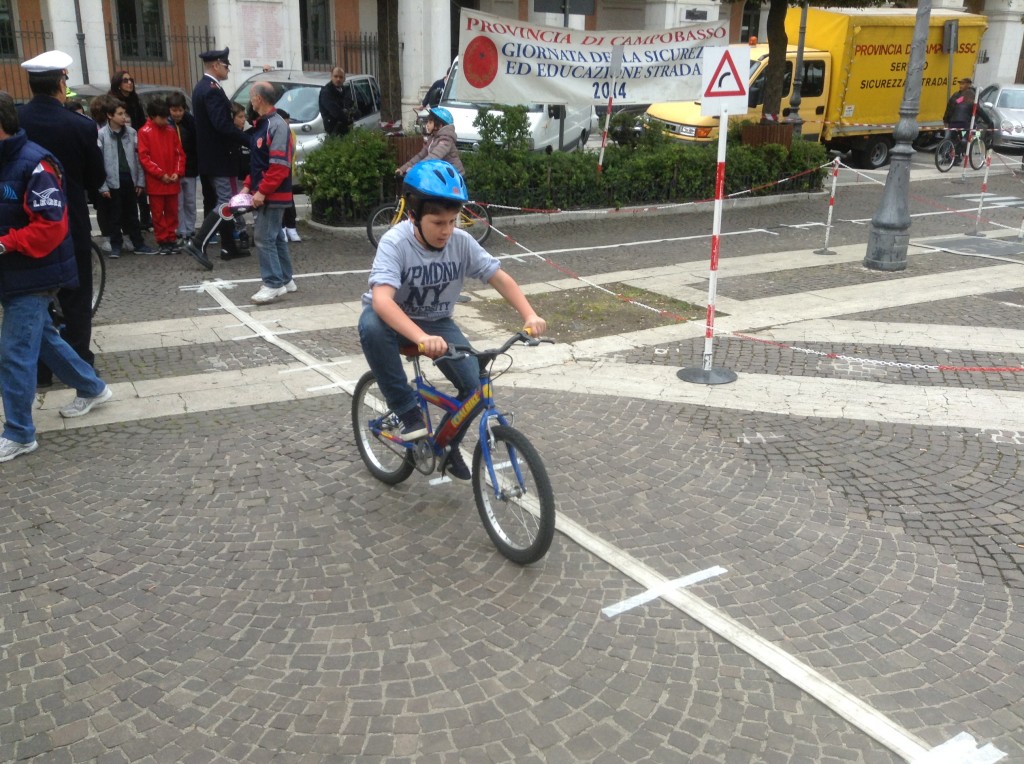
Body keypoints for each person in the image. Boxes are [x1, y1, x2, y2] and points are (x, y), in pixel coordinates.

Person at [358, 160, 546, 481]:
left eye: (452, 220)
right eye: (437, 222)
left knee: (474, 389)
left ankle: (445, 446)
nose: (447, 230)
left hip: (438, 322)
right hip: (393, 321)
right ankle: (406, 410)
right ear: (413, 216)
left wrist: (529, 314)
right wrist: (419, 338)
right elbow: (383, 302)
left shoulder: (461, 243)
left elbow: (499, 278)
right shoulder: (395, 243)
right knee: (371, 325)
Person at [0, 91, 113, 463]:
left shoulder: (36, 164)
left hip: (35, 274)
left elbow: (49, 228)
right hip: (13, 272)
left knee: (15, 352)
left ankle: (19, 433)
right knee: (45, 339)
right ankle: (93, 388)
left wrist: (4, 243)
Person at [17, 50, 105, 387]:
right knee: (76, 296)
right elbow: (96, 178)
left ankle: (40, 370)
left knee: (33, 295)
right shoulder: (79, 125)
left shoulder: (18, 121)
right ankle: (80, 363)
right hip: (69, 219)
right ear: (60, 82)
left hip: (24, 222)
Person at [191, 47, 250, 261]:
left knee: (223, 201)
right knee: (226, 203)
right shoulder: (211, 90)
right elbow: (222, 125)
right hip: (219, 157)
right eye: (226, 66)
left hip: (212, 157)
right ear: (215, 65)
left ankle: (228, 247)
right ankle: (198, 243)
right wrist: (249, 140)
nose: (228, 69)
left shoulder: (204, 87)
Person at [241, 81, 295, 304]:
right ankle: (285, 279)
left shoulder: (275, 125)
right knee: (275, 237)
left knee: (264, 237)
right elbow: (260, 163)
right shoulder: (266, 124)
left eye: (252, 96)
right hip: (271, 192)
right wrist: (248, 185)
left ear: (258, 99)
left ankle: (273, 283)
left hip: (273, 193)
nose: (251, 100)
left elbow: (279, 166)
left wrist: (261, 191)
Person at [96, 97, 155, 258]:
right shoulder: (102, 135)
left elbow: (138, 159)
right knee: (114, 215)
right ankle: (116, 245)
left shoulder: (131, 133)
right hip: (112, 179)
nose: (124, 117)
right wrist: (103, 186)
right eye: (120, 114)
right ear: (110, 115)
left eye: (124, 113)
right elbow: (99, 161)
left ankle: (138, 243)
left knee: (132, 214)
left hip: (129, 178)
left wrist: (140, 181)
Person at [137, 99, 185, 255]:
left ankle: (171, 237)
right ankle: (163, 239)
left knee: (172, 212)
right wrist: (161, 174)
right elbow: (145, 158)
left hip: (170, 179)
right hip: (157, 181)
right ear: (152, 116)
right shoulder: (144, 132)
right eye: (162, 117)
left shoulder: (171, 131)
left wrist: (177, 173)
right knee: (158, 213)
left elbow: (180, 154)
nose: (165, 120)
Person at [108, 69, 151, 230]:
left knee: (141, 182)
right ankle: (127, 225)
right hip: (118, 143)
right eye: (125, 80)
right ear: (118, 84)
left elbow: (140, 122)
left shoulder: (135, 101)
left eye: (131, 80)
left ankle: (145, 219)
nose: (129, 83)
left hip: (135, 141)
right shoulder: (112, 102)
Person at [167, 92, 199, 245]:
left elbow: (195, 144)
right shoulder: (167, 124)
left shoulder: (191, 123)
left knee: (190, 201)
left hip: (190, 168)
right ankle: (181, 231)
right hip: (174, 171)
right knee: (178, 203)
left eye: (180, 110)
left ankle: (191, 229)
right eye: (174, 110)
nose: (177, 114)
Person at [398, 106, 463, 175]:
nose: (427, 125)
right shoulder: (433, 138)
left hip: (455, 178)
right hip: (443, 176)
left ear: (439, 126)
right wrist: (403, 169)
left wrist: (415, 169)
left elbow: (434, 157)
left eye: (430, 122)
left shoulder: (446, 139)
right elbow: (420, 156)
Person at [319, 67, 354, 138]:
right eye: (336, 76)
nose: (338, 79)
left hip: (344, 130)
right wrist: (348, 118)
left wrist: (353, 112)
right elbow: (336, 112)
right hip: (333, 132)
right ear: (331, 77)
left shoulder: (343, 89)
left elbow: (351, 104)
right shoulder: (326, 92)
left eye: (341, 77)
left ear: (344, 79)